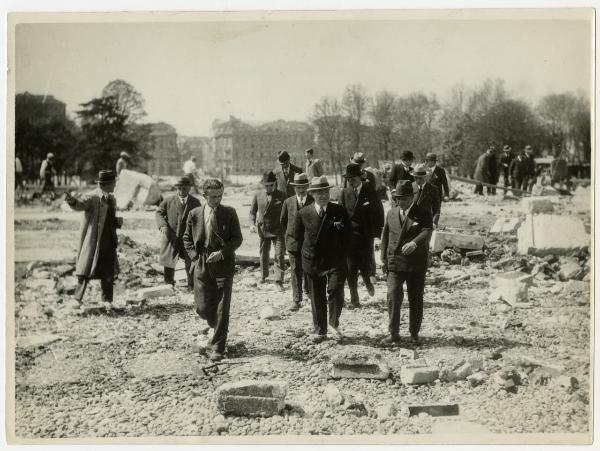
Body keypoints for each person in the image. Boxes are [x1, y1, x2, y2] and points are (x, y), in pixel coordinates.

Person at [183, 178, 243, 362]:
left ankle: (218, 346)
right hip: (201, 262)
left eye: (220, 196)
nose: (217, 200)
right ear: (205, 195)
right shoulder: (194, 214)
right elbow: (186, 239)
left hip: (223, 263)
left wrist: (222, 253)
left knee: (222, 308)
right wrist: (194, 258)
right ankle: (215, 325)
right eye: (214, 196)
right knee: (202, 307)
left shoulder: (229, 213)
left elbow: (237, 239)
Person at [294, 176, 350, 343]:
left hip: (335, 260)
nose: (323, 196)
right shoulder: (303, 213)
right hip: (313, 261)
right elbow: (297, 238)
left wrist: (343, 255)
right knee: (317, 296)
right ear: (313, 194)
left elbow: (348, 236)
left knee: (335, 290)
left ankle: (333, 323)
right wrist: (302, 261)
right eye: (319, 193)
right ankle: (320, 330)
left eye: (326, 192)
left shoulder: (339, 211)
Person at [380, 180, 433, 346]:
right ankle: (393, 333)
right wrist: (383, 259)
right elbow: (385, 237)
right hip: (395, 262)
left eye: (403, 198)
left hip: (415, 263)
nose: (400, 202)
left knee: (415, 298)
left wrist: (414, 243)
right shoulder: (391, 213)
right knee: (393, 296)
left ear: (412, 197)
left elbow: (427, 230)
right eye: (397, 198)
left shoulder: (423, 212)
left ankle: (414, 333)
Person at [64, 170, 122, 309]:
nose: (115, 185)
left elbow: (109, 218)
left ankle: (107, 300)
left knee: (108, 271)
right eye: (114, 183)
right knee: (85, 269)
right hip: (94, 241)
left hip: (108, 240)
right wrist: (72, 201)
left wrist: (116, 222)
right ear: (107, 184)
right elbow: (80, 204)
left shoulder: (111, 199)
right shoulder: (93, 197)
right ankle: (77, 299)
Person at [339, 163, 383, 308]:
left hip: (366, 236)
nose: (351, 181)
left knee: (365, 264)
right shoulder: (344, 193)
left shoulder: (370, 192)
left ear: (360, 177)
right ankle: (354, 299)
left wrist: (377, 235)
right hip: (349, 236)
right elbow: (339, 214)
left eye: (353, 178)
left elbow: (379, 215)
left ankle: (368, 281)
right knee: (351, 268)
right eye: (348, 178)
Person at [155, 176, 201, 290]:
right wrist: (163, 225)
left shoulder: (195, 202)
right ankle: (168, 284)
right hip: (172, 236)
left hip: (188, 238)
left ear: (189, 188)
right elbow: (159, 212)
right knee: (169, 260)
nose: (181, 191)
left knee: (191, 260)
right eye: (179, 188)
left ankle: (192, 285)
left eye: (184, 188)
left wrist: (198, 234)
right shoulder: (168, 200)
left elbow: (200, 219)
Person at [280, 173, 314, 311]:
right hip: (293, 242)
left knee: (309, 269)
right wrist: (290, 235)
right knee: (295, 270)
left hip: (309, 243)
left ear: (307, 187)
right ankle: (296, 299)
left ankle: (310, 293)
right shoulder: (288, 202)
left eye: (303, 187)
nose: (301, 190)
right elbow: (283, 221)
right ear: (294, 188)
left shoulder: (313, 201)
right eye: (298, 188)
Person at [249, 171, 286, 289]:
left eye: (271, 185)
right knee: (264, 254)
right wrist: (252, 224)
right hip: (263, 229)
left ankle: (279, 280)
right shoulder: (258, 195)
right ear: (263, 185)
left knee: (279, 255)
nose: (269, 187)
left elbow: (287, 212)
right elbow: (252, 212)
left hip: (278, 229)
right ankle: (263, 276)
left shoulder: (281, 195)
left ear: (275, 184)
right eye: (266, 185)